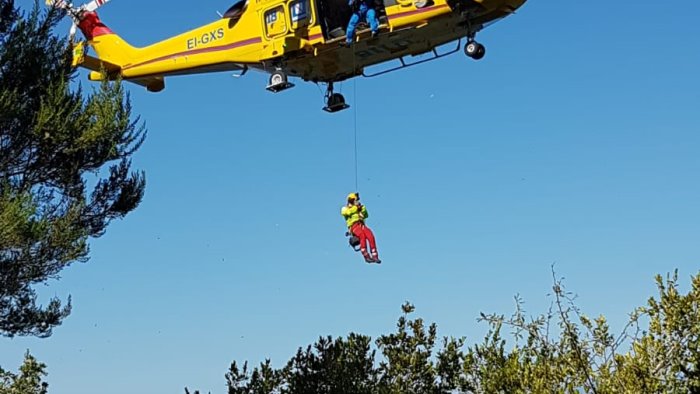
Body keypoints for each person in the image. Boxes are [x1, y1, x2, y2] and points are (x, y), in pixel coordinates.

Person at [341, 192, 380, 263]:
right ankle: (366, 256)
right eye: (355, 200)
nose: (357, 201)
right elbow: (347, 212)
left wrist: (362, 209)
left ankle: (375, 256)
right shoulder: (345, 209)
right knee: (362, 235)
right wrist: (356, 208)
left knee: (370, 235)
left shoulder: (359, 208)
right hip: (354, 227)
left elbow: (366, 215)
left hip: (362, 225)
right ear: (351, 200)